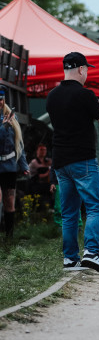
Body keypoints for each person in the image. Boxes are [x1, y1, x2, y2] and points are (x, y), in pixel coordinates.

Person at [46, 52, 99, 272]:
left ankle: (70, 259)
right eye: (87, 70)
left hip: (60, 161)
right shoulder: (85, 95)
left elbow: (71, 115)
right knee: (96, 206)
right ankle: (91, 253)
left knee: (69, 212)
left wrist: (92, 106)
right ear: (82, 69)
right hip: (82, 160)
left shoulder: (52, 96)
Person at [0, 90, 30, 238]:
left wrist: (24, 166)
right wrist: (3, 127)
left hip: (9, 165)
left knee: (9, 200)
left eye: (1, 99)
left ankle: (9, 236)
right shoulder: (5, 122)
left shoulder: (12, 117)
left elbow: (18, 144)